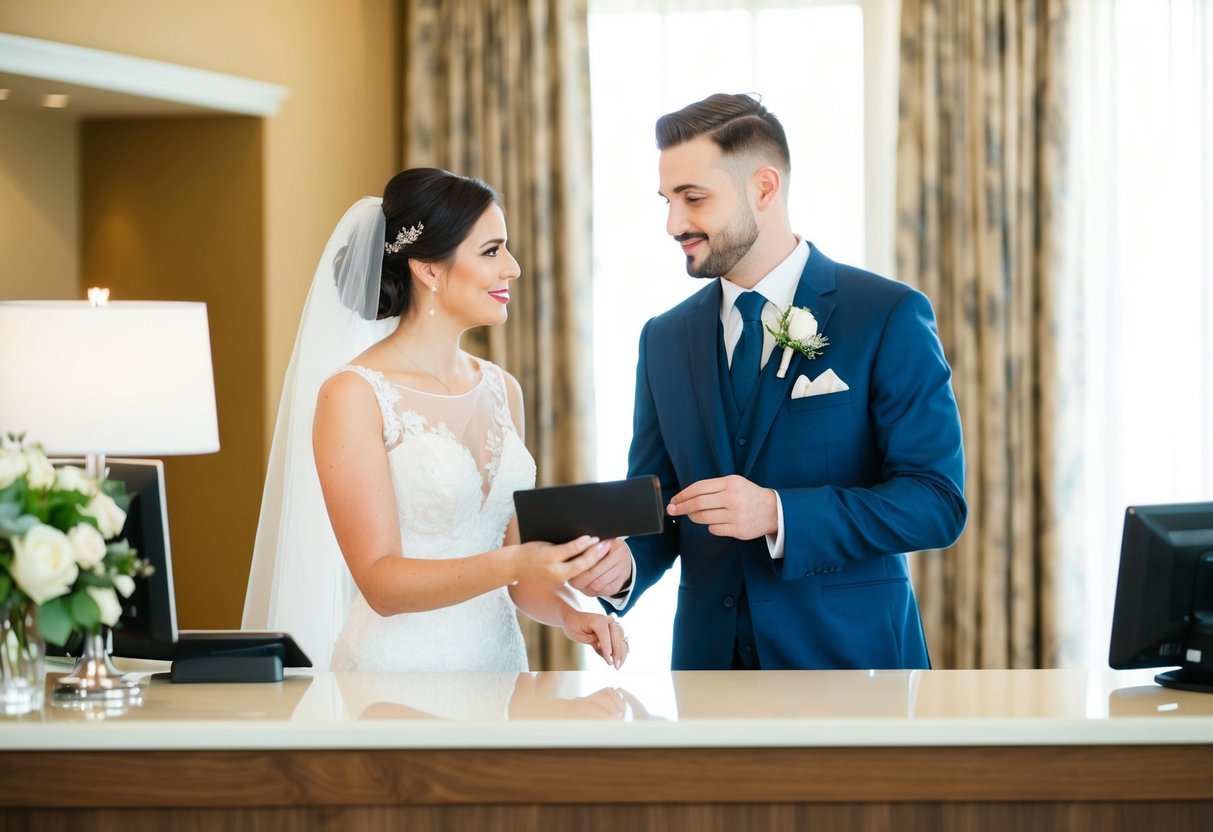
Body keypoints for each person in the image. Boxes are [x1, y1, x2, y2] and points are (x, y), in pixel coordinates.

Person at [571, 93, 966, 670]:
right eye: (667, 200)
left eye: (693, 198)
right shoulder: (663, 338)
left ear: (763, 187)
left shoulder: (886, 315)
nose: (673, 223)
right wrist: (624, 564)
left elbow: (936, 503)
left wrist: (779, 513)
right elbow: (662, 507)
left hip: (855, 669)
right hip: (709, 678)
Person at [242, 168, 627, 672]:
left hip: (498, 670)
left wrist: (570, 611)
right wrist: (516, 563)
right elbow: (381, 584)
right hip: (397, 675)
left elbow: (515, 562)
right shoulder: (353, 395)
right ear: (428, 269)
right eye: (492, 251)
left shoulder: (502, 390)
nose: (512, 268)